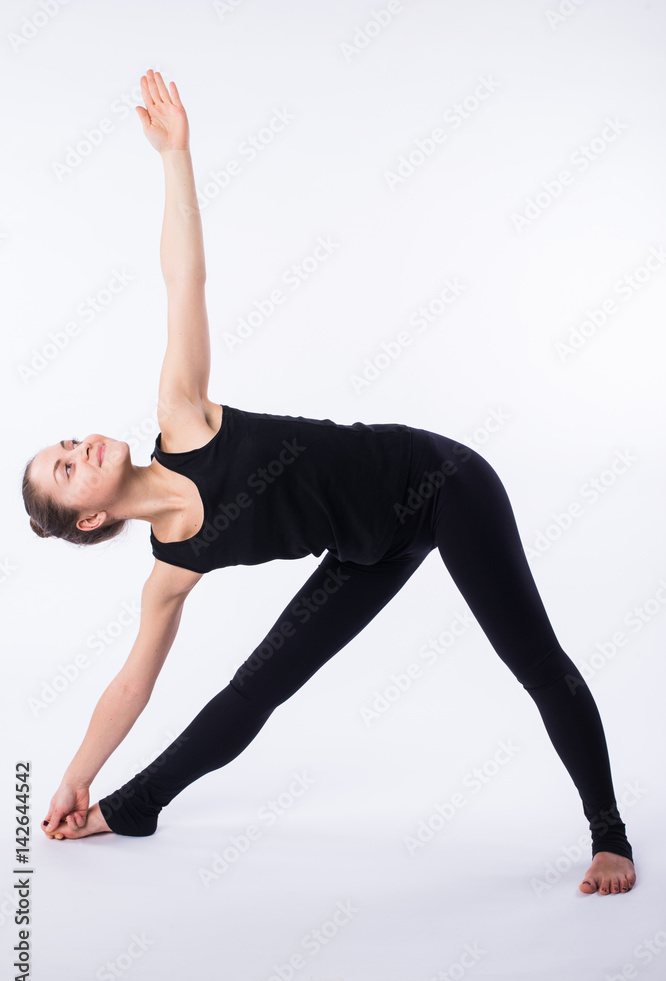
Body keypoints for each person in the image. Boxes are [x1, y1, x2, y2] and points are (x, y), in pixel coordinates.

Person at [23, 71, 636, 896]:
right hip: (365, 550)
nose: (81, 445)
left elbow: (184, 283)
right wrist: (74, 775)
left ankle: (610, 836)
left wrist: (175, 157)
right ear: (90, 520)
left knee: (531, 657)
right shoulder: (170, 572)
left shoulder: (183, 419)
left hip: (441, 482)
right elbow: (131, 682)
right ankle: (130, 808)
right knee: (253, 691)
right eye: (67, 468)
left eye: (68, 441)